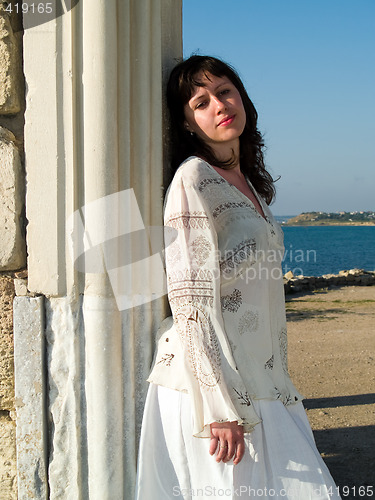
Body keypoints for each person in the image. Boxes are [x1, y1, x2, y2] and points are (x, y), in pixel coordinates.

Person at [135, 55, 341, 499]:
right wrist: (218, 408)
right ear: (189, 123)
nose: (219, 105)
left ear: (242, 97)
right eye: (201, 101)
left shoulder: (249, 186)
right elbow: (189, 298)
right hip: (216, 392)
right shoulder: (194, 179)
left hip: (266, 383)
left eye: (225, 91)